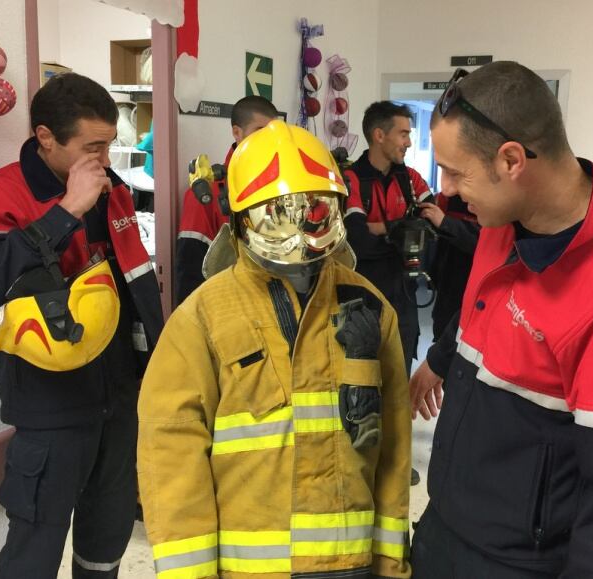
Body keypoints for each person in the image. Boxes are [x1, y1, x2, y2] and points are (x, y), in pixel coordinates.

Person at [409, 61, 593, 578]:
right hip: (449, 529)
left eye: (456, 171)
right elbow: (484, 303)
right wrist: (439, 358)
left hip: (521, 563)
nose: (446, 189)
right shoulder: (504, 220)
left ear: (512, 160)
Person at [137, 120, 412, 579]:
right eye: (280, 213)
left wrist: (389, 563)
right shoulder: (201, 319)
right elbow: (171, 455)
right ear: (241, 220)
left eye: (315, 210)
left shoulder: (370, 307)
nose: (301, 227)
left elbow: (395, 445)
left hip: (351, 564)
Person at [0, 73, 164, 578]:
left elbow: (133, 286)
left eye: (110, 145)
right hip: (51, 407)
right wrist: (67, 209)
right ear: (46, 137)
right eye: (92, 146)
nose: (105, 158)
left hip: (119, 398)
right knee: (34, 551)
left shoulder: (111, 191)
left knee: (107, 541)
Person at [343, 101, 433, 377]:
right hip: (361, 300)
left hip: (404, 298)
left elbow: (431, 227)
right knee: (360, 382)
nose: (408, 142)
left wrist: (380, 229)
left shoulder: (411, 179)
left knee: (399, 381)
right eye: (403, 134)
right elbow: (357, 240)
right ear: (379, 136)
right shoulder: (351, 178)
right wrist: (399, 230)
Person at [174, 95, 278, 304]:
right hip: (226, 310)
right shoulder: (205, 193)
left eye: (272, 134)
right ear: (237, 132)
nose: (267, 140)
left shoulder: (281, 186)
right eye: (259, 132)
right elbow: (189, 272)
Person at [419, 194, 479, 341]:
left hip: (473, 287)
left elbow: (483, 243)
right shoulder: (449, 197)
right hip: (447, 286)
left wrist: (446, 222)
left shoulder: (493, 199)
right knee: (442, 331)